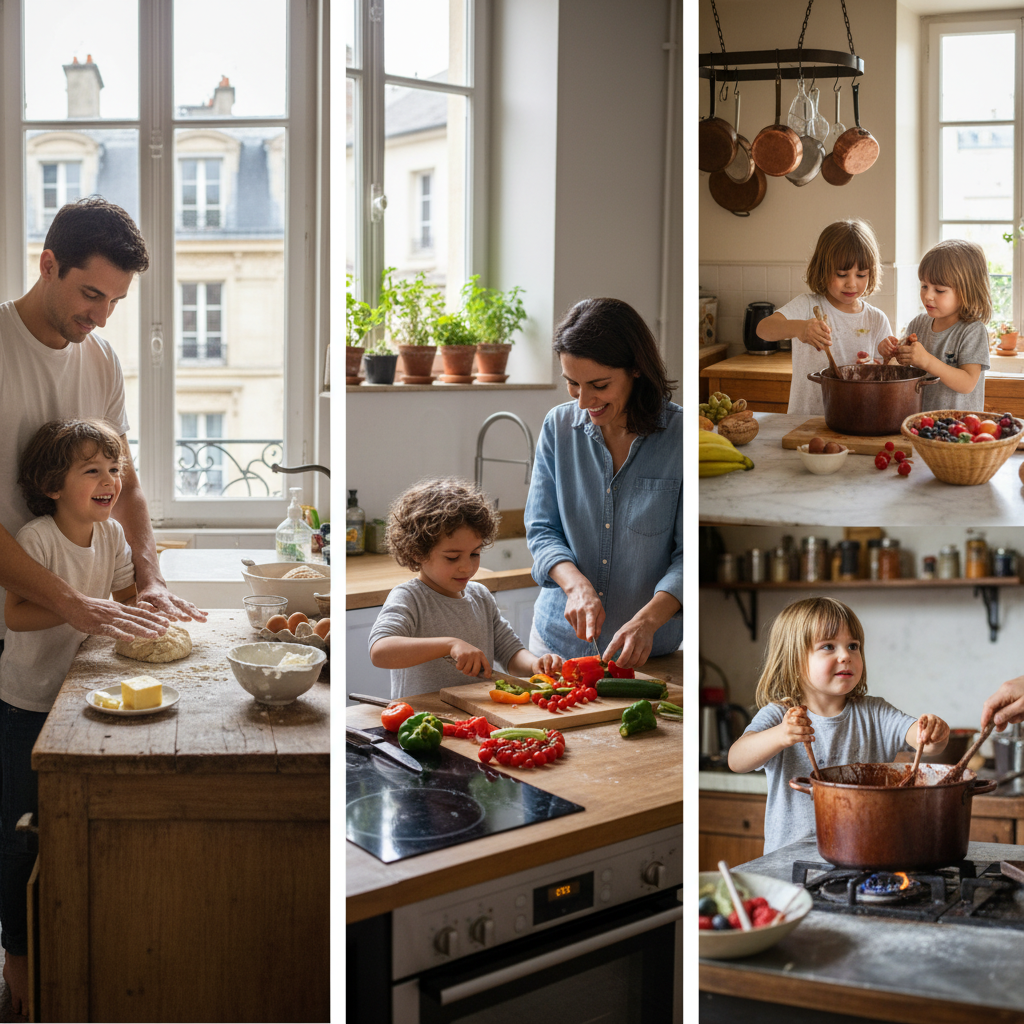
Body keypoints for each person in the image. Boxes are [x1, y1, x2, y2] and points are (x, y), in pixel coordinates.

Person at [0, 196, 205, 650]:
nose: (102, 317)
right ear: (48, 265)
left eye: (115, 300)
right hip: (14, 625)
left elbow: (126, 483)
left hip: (80, 632)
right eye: (92, 294)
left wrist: (150, 579)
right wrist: (73, 602)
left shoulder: (102, 359)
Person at [0, 419, 140, 1013]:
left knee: (79, 835)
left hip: (86, 700)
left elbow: (129, 600)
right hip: (27, 706)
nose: (110, 480)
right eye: (92, 470)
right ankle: (20, 975)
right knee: (21, 842)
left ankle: (77, 955)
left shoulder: (110, 536)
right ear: (53, 485)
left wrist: (150, 618)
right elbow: (16, 617)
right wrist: (83, 610)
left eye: (114, 469)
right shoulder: (36, 540)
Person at [525, 298, 682, 668]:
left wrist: (647, 621)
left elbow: (690, 555)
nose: (583, 401)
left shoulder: (680, 436)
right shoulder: (557, 427)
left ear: (636, 370)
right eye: (572, 384)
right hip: (554, 648)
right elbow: (542, 529)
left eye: (598, 385)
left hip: (647, 654)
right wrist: (576, 586)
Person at [727, 597, 949, 855]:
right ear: (794, 660)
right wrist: (780, 735)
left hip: (865, 856)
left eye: (853, 646)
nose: (846, 656)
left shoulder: (875, 712)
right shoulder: (780, 716)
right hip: (790, 863)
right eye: (829, 646)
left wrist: (933, 733)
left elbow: (926, 743)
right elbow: (737, 760)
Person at [368, 478, 562, 699]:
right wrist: (450, 645)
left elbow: (511, 654)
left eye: (475, 554)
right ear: (417, 552)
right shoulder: (410, 597)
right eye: (452, 557)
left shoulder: (481, 596)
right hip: (423, 722)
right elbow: (380, 652)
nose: (467, 567)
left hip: (476, 720)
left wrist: (535, 664)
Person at [754, 219, 892, 416]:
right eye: (842, 274)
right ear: (822, 269)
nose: (852, 284)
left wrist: (882, 363)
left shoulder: (876, 319)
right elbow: (763, 329)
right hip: (806, 419)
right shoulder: (807, 305)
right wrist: (800, 329)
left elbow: (886, 375)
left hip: (857, 418)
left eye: (861, 275)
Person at [877, 238, 991, 411]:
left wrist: (927, 361)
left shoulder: (972, 330)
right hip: (920, 425)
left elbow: (967, 383)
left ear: (967, 291)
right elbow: (900, 371)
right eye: (924, 286)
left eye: (939, 290)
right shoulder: (918, 324)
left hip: (959, 430)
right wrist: (890, 356)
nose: (928, 295)